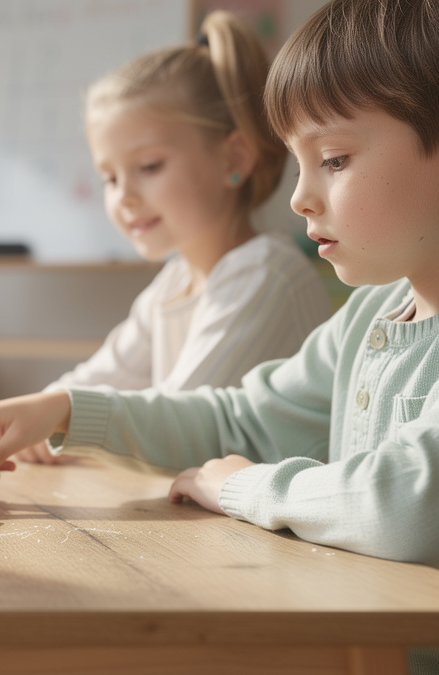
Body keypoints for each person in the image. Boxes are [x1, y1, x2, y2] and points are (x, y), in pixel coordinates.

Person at [0, 0, 439, 675]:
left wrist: (243, 487)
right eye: (298, 163)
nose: (298, 197)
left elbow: (409, 501)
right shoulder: (370, 315)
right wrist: (68, 410)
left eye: (332, 159)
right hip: (362, 659)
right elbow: (241, 418)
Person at [18, 10, 331, 465]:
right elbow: (100, 379)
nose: (124, 197)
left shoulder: (264, 274)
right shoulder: (174, 284)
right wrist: (32, 416)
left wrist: (60, 419)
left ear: (234, 158)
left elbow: (175, 425)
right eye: (108, 177)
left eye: (148, 167)